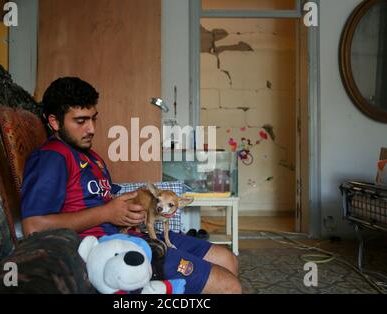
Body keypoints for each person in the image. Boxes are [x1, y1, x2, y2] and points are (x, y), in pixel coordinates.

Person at [20, 77, 242, 294]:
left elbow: (105, 195)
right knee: (229, 287)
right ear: (54, 122)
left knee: (227, 259)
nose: (91, 129)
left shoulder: (91, 156)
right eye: (80, 121)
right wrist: (107, 213)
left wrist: (139, 199)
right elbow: (33, 227)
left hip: (136, 234)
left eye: (93, 118)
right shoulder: (51, 158)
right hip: (112, 248)